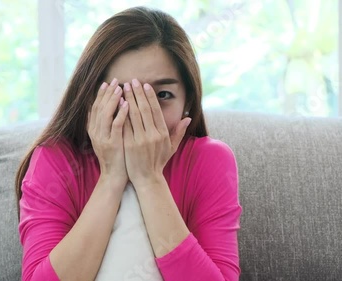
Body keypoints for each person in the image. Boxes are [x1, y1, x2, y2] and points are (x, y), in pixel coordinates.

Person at [15, 6, 242, 281]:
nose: (140, 112)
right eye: (122, 93)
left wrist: (149, 179)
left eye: (162, 94)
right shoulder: (55, 160)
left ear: (188, 102)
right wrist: (112, 177)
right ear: (90, 99)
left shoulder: (209, 160)